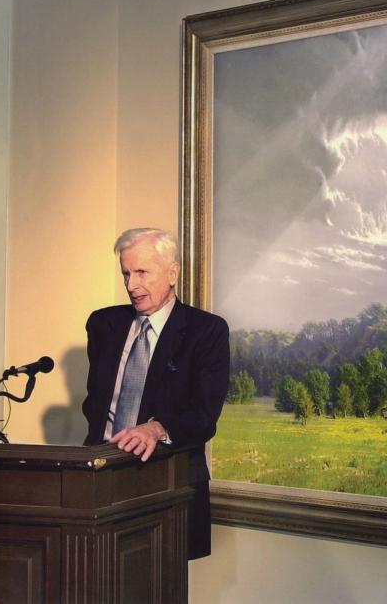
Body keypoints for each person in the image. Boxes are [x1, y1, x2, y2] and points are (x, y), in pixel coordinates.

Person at [82, 227, 230, 560]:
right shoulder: (103, 325)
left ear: (173, 272)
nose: (131, 285)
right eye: (126, 273)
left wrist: (156, 428)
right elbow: (95, 404)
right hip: (98, 484)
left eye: (142, 272)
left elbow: (204, 418)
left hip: (165, 486)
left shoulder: (206, 331)